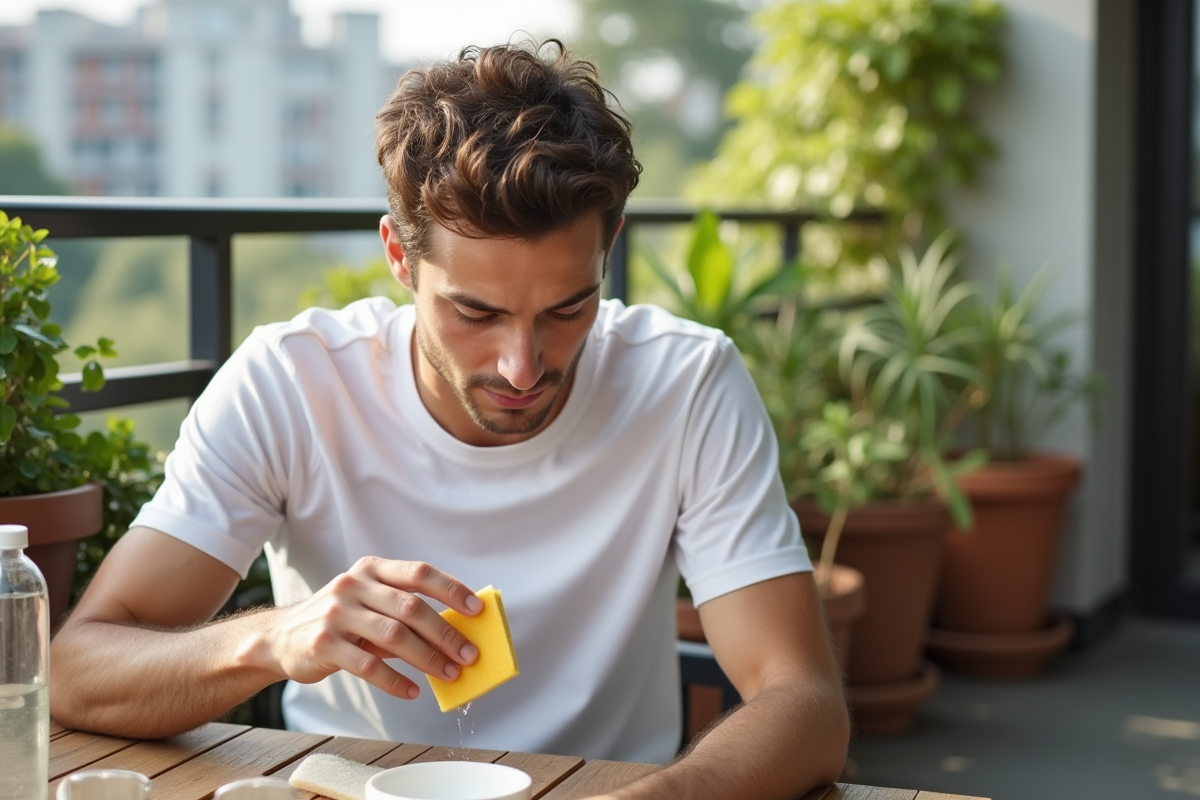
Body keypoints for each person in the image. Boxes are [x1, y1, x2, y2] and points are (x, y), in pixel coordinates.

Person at [50, 41, 849, 799]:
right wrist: (275, 638)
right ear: (401, 259)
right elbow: (80, 669)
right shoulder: (290, 383)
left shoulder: (686, 382)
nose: (523, 366)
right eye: (476, 312)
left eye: (570, 308)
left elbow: (805, 703)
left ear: (610, 247)